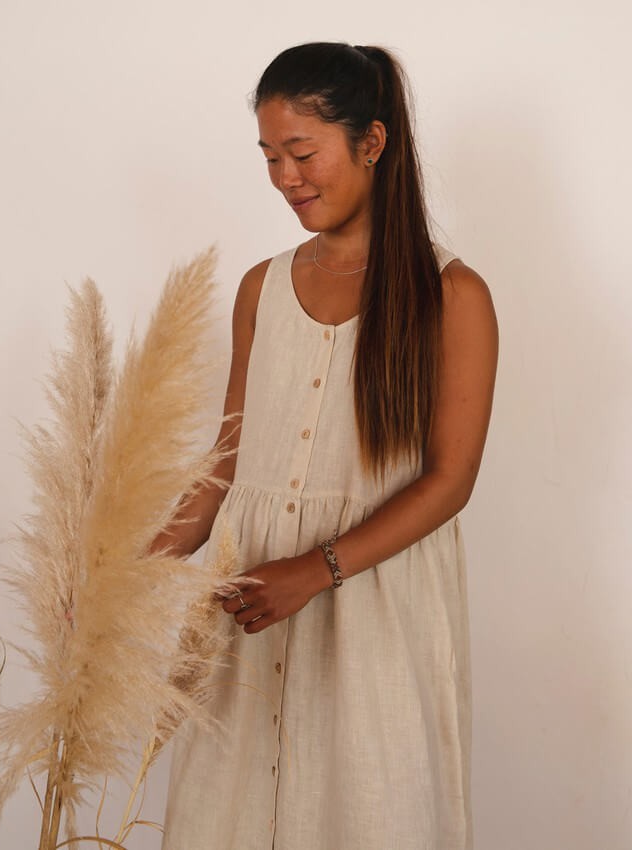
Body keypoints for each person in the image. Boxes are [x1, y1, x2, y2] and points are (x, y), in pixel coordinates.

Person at [158, 42, 498, 850]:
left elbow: (450, 481)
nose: (285, 178)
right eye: (271, 157)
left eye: (302, 153)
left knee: (372, 813)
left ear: (373, 141)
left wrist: (317, 570)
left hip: (374, 609)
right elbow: (227, 461)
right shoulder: (260, 287)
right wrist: (126, 570)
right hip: (248, 609)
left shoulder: (453, 296)